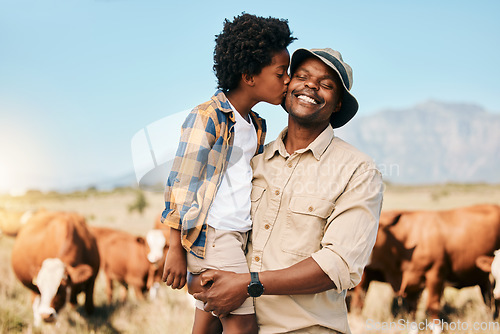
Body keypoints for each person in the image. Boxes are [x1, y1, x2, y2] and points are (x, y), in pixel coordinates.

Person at [192, 48, 384, 333]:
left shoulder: (358, 171)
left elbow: (338, 265)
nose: (311, 85)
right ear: (287, 87)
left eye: (326, 84)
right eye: (302, 76)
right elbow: (220, 231)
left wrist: (249, 285)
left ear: (338, 104)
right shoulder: (253, 160)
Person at [160, 13, 295, 334]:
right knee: (243, 326)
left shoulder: (257, 125)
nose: (288, 80)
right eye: (281, 73)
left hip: (239, 234)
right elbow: (181, 182)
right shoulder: (208, 117)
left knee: (207, 326)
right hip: (215, 236)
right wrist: (174, 248)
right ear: (249, 76)